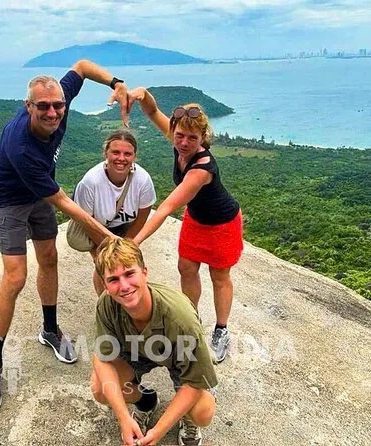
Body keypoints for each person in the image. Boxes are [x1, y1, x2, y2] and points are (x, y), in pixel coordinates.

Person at [0, 60, 130, 413]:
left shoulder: (59, 97)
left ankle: (49, 329)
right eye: (42, 106)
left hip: (40, 194)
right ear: (28, 106)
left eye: (58, 105)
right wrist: (109, 237)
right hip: (10, 200)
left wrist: (116, 83)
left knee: (49, 258)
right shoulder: (22, 146)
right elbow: (62, 201)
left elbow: (82, 66)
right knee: (15, 277)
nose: (52, 112)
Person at [128, 88, 243, 364]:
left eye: (192, 138)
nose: (184, 142)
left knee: (219, 276)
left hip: (222, 223)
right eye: (179, 135)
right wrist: (142, 94)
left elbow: (166, 207)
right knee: (186, 268)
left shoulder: (202, 168)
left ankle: (221, 330)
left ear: (203, 138)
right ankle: (192, 321)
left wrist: (135, 241)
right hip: (196, 218)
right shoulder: (178, 141)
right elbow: (152, 111)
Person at [91, 238, 217, 446]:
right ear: (105, 285)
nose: (124, 286)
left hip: (178, 357)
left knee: (202, 413)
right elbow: (102, 358)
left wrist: (158, 431)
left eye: (129, 274)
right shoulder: (106, 303)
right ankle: (146, 401)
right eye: (113, 279)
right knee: (100, 388)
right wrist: (123, 418)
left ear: (145, 272)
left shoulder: (181, 318)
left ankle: (186, 417)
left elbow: (195, 382)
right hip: (135, 350)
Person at [72, 128, 156, 295]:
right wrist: (108, 250)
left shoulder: (142, 180)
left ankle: (128, 299)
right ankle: (105, 301)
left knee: (129, 264)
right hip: (96, 227)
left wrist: (127, 246)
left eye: (127, 154)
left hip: (126, 226)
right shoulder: (90, 182)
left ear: (134, 156)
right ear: (106, 153)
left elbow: (142, 217)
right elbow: (88, 223)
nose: (121, 158)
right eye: (115, 152)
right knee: (105, 265)